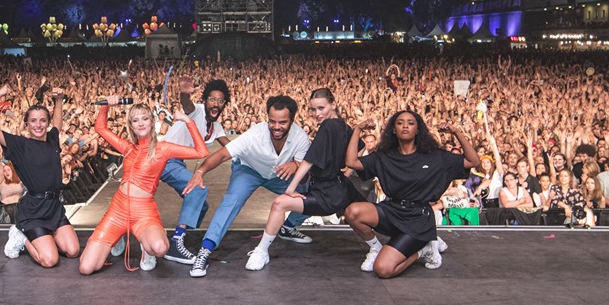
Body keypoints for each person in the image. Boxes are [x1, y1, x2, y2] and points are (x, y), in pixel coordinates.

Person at [182, 95, 310, 278]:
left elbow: (304, 168)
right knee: (231, 201)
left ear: (292, 120)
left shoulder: (301, 137)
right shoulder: (255, 134)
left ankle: (288, 227)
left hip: (278, 175)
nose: (276, 127)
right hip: (248, 170)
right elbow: (222, 155)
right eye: (272, 121)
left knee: (312, 193)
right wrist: (200, 172)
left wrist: (296, 165)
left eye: (282, 122)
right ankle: (205, 250)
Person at [78, 95, 207, 274]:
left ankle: (147, 249)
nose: (140, 123)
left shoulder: (164, 148)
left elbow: (201, 151)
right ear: (131, 125)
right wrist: (106, 105)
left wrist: (187, 120)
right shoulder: (128, 148)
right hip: (118, 210)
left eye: (145, 118)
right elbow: (100, 128)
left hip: (144, 213)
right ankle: (119, 235)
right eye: (135, 120)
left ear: (152, 121)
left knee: (160, 248)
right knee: (86, 268)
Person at [344, 111, 479, 278]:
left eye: (410, 123)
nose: (405, 125)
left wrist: (456, 132)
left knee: (383, 270)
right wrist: (358, 129)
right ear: (393, 129)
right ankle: (375, 247)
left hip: (418, 220)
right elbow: (351, 162)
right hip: (392, 210)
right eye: (400, 123)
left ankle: (424, 250)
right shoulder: (384, 156)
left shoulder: (435, 156)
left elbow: (473, 161)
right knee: (352, 212)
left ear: (418, 129)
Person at [245, 88, 362, 271]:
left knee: (279, 203)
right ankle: (384, 247)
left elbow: (308, 161)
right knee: (375, 217)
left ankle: (261, 252)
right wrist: (346, 172)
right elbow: (357, 151)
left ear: (334, 104)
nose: (317, 114)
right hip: (341, 187)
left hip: (327, 193)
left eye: (321, 108)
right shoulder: (344, 127)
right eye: (313, 110)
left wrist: (291, 189)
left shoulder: (328, 126)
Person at [133, 77, 231, 265]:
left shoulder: (216, 127)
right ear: (205, 100)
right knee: (198, 189)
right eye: (212, 99)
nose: (215, 103)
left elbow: (233, 149)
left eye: (220, 100)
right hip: (163, 159)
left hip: (176, 163)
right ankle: (177, 243)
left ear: (224, 104)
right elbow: (186, 103)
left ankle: (179, 236)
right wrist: (184, 93)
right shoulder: (197, 111)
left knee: (202, 206)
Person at [0, 84, 80, 268]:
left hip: (54, 207)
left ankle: (45, 238)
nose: (38, 125)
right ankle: (21, 237)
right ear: (27, 123)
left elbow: (58, 125)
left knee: (73, 252)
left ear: (47, 123)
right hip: (34, 211)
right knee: (50, 260)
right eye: (33, 121)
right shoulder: (20, 145)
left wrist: (59, 100)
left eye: (42, 120)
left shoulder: (52, 139)